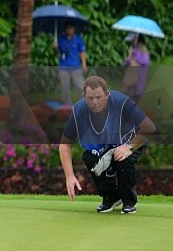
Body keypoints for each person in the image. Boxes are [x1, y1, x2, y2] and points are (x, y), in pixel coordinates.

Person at [59, 75, 156, 214]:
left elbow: (149, 128)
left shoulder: (121, 102)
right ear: (84, 97)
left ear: (107, 94)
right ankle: (110, 198)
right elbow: (64, 145)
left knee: (122, 159)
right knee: (89, 158)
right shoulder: (78, 111)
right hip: (104, 145)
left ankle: (128, 201)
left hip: (131, 140)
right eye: (90, 98)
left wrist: (129, 147)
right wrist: (69, 176)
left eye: (98, 97)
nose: (95, 102)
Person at [53, 23, 87, 105]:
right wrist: (55, 48)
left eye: (71, 28)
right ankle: (67, 106)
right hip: (64, 66)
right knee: (65, 87)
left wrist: (84, 64)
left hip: (76, 66)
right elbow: (58, 53)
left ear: (74, 29)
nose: (69, 30)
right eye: (68, 28)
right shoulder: (61, 39)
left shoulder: (78, 39)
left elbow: (82, 52)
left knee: (80, 86)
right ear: (65, 29)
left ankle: (85, 103)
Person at [122, 34, 150, 102]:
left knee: (137, 91)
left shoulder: (143, 49)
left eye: (133, 40)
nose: (131, 41)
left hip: (139, 73)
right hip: (131, 72)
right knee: (126, 89)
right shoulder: (133, 48)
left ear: (137, 39)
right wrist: (130, 55)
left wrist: (134, 57)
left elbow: (145, 61)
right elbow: (127, 62)